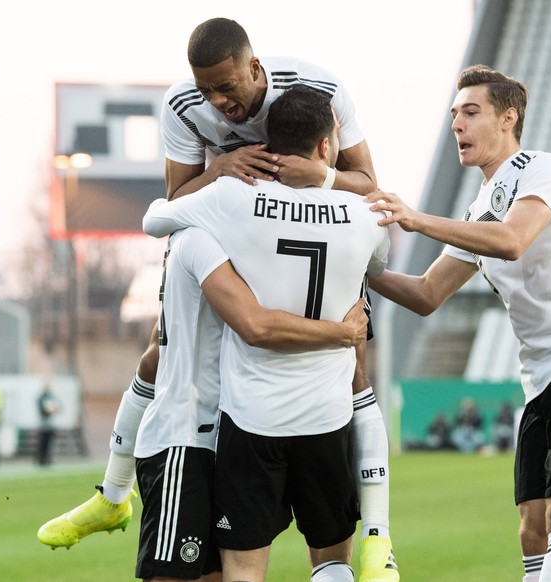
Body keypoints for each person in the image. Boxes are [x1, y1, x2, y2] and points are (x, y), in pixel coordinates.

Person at [38, 18, 398, 579]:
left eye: (227, 87)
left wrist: (318, 177)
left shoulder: (320, 87)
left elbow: (367, 179)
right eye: (207, 90)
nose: (218, 101)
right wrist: (223, 168)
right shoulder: (183, 106)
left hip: (277, 228)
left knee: (351, 367)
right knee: (165, 351)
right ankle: (113, 490)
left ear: (257, 69)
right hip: (230, 225)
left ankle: (378, 534)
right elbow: (175, 197)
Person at [364, 64, 551, 582]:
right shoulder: (477, 210)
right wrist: (361, 265)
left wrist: (416, 218)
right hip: (541, 379)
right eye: (453, 115)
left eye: (471, 113)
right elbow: (427, 294)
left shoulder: (543, 169)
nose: (457, 125)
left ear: (507, 119)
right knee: (532, 528)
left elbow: (513, 240)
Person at [142, 84, 390, 582]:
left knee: (245, 569)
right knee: (332, 560)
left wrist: (215, 173)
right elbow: (379, 268)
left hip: (253, 419)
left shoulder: (233, 198)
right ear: (326, 146)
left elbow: (154, 219)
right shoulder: (367, 217)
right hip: (327, 415)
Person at [133, 218, 368, 581]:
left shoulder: (220, 227)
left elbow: (152, 356)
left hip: (234, 428)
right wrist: (344, 333)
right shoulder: (202, 237)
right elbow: (255, 326)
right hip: (189, 438)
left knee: (234, 571)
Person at [37, 383, 60, 466]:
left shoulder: (52, 397)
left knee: (50, 442)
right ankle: (41, 459)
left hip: (51, 425)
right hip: (44, 425)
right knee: (43, 442)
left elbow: (58, 407)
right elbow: (44, 410)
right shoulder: (42, 397)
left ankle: (48, 458)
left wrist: (52, 409)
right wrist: (50, 409)